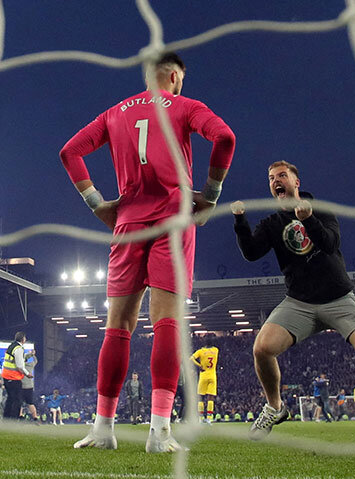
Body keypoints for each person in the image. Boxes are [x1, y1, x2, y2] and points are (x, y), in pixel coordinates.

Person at [61, 51, 235, 453]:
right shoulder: (186, 106)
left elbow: (69, 152)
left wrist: (98, 204)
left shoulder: (115, 112)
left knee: (117, 324)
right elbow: (225, 138)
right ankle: (159, 433)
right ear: (175, 77)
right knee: (167, 322)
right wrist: (209, 197)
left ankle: (102, 429)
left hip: (127, 221)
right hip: (172, 219)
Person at [231, 161, 355, 445]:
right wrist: (240, 220)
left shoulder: (320, 209)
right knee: (262, 348)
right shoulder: (273, 223)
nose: (275, 181)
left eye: (282, 176)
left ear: (297, 182)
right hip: (299, 302)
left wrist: (308, 219)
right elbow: (250, 253)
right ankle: (275, 407)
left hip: (338, 298)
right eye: (271, 178)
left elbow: (331, 243)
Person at [1, 332, 33, 419]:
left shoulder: (11, 346)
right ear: (23, 339)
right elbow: (20, 365)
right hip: (13, 377)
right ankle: (14, 420)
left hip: (6, 376)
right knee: (17, 400)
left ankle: (6, 419)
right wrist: (27, 374)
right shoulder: (19, 349)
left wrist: (29, 355)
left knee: (10, 399)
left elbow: (17, 359)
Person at [190, 344, 219, 424]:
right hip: (212, 376)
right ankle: (209, 419)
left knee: (201, 398)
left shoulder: (201, 351)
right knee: (211, 398)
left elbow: (191, 359)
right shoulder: (216, 350)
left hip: (203, 376)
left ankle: (200, 418)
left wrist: (199, 365)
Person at [20, 350, 40, 423]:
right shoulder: (31, 365)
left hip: (21, 386)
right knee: (30, 403)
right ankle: (35, 418)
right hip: (29, 386)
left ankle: (21, 416)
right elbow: (36, 361)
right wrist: (33, 355)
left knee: (20, 403)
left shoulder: (20, 366)